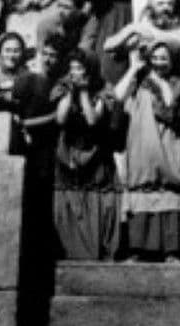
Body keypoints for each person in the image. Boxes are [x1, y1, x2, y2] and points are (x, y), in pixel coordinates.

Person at [115, 40, 180, 260]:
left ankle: (172, 250)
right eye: (155, 57)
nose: (158, 62)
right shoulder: (139, 81)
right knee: (143, 189)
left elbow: (172, 110)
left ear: (172, 61)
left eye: (164, 58)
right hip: (143, 142)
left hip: (171, 144)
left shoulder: (178, 83)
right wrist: (133, 68)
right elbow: (118, 95)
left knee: (172, 191)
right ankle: (139, 249)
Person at [52, 49, 121, 260]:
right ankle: (72, 248)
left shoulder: (103, 89)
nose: (75, 73)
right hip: (69, 152)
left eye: (79, 68)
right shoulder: (62, 87)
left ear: (89, 69)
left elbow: (92, 120)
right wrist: (70, 93)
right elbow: (60, 118)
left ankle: (97, 249)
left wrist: (83, 93)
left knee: (96, 196)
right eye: (72, 68)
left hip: (95, 151)